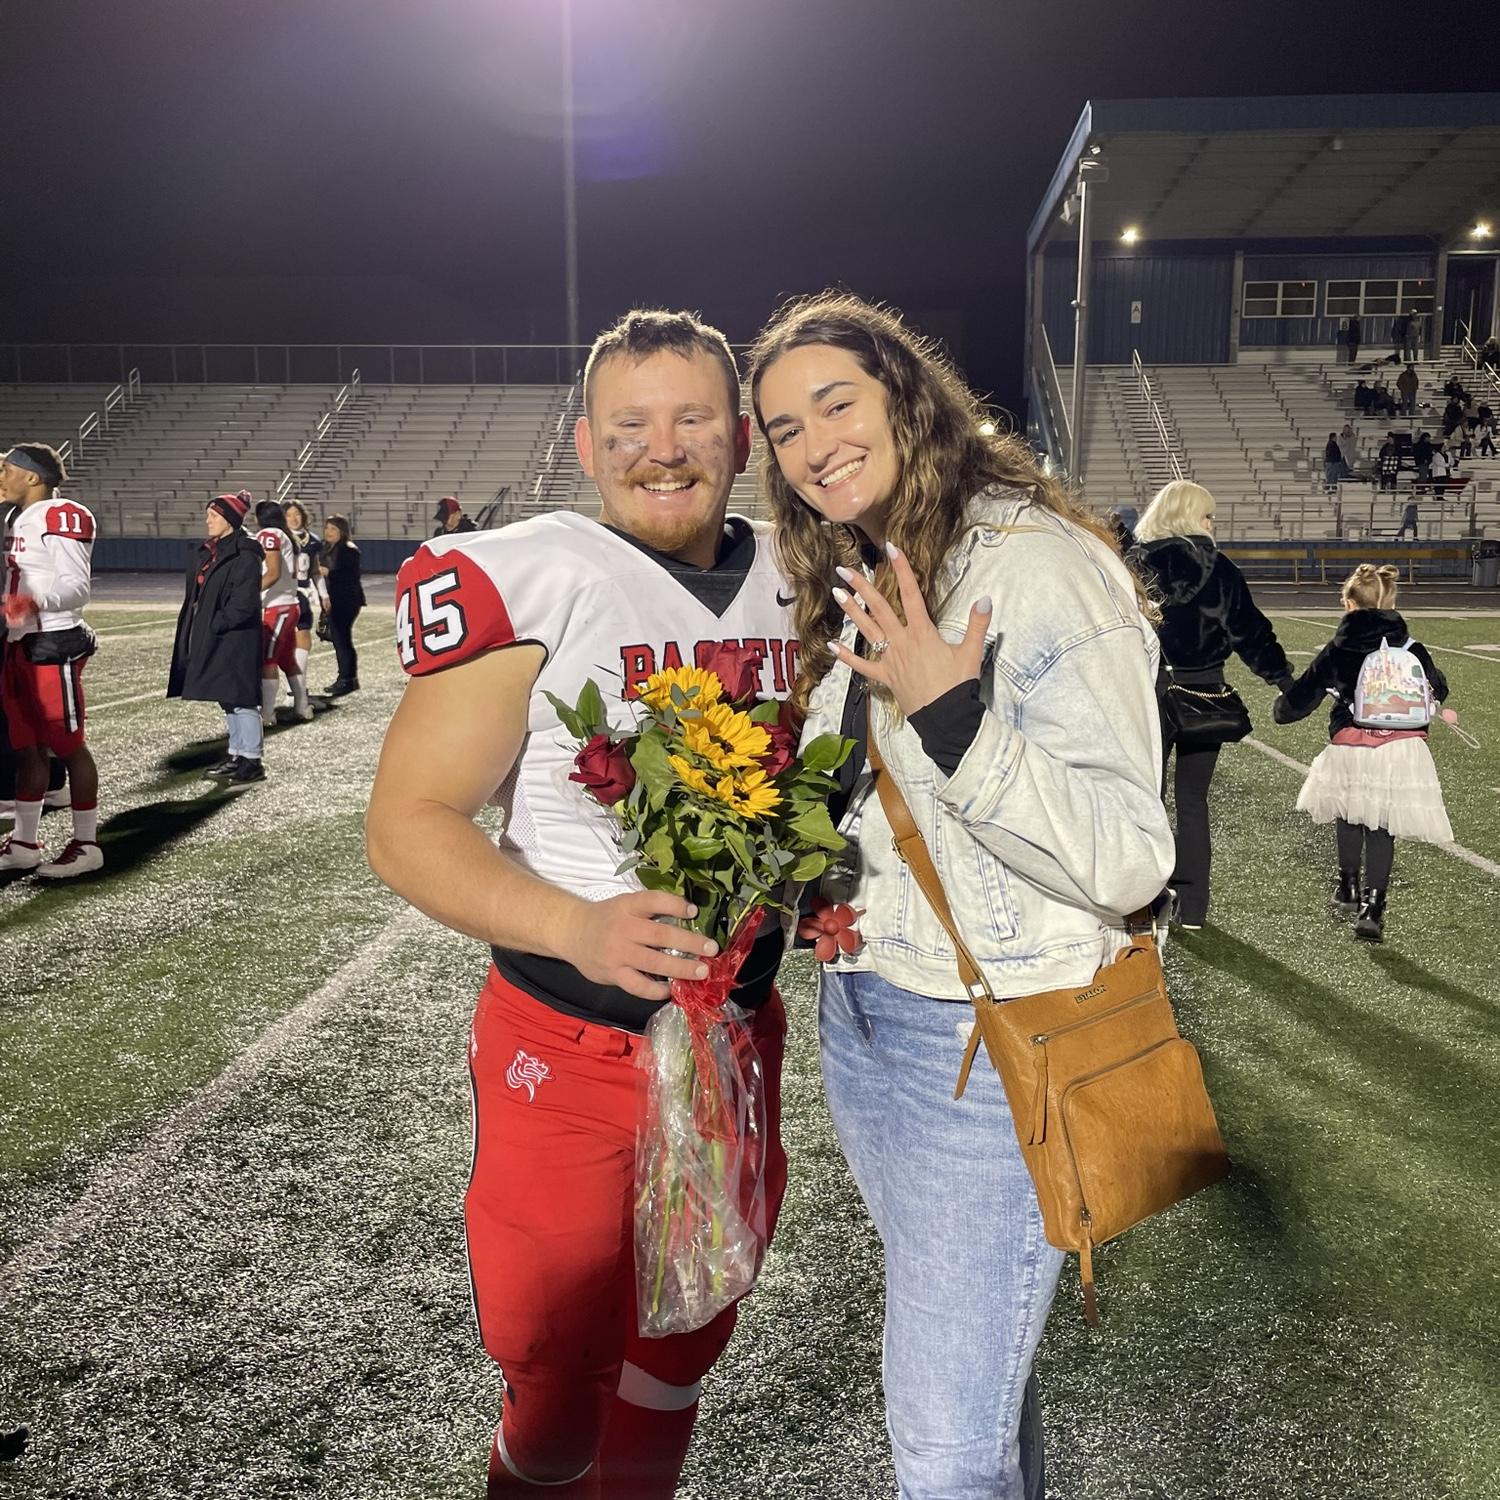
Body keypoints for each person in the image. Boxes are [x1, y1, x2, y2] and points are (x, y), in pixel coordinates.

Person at [367, 309, 797, 1500]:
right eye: (631, 425)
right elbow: (405, 823)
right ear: (586, 443)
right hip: (567, 1046)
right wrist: (575, 925)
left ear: (742, 438)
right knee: (554, 1382)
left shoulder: (807, 576)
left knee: (683, 1345)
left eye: (693, 419)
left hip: (734, 1038)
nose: (663, 448)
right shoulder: (537, 575)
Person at [750, 291, 1173, 1500]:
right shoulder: (868, 558)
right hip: (871, 1016)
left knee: (943, 1448)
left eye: (836, 403)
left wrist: (956, 720)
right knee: (983, 1396)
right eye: (784, 428)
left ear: (905, 397)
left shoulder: (1036, 566)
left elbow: (1132, 857)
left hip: (987, 1045)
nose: (815, 442)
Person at [1129, 480, 1293, 930]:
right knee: (1192, 800)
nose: (1212, 524)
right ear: (1191, 517)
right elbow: (1251, 633)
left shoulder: (1134, 566)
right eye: (1207, 516)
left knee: (1146, 797)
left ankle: (1143, 899)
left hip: (1146, 692)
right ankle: (1194, 905)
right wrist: (1283, 680)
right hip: (1204, 693)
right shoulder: (1221, 570)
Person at [1273, 564, 1452, 942]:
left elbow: (1302, 697)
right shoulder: (1412, 648)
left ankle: (1348, 888)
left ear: (1350, 604)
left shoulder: (1339, 648)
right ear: (1389, 602)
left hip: (1351, 742)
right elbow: (1438, 688)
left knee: (1348, 813)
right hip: (1401, 748)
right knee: (1381, 825)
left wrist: (1282, 710)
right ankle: (1374, 907)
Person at [0, 443, 103, 878]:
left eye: (7, 469)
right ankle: (25, 843)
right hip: (19, 640)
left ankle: (87, 845)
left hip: (53, 640)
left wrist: (33, 601)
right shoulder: (15, 515)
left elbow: (78, 587)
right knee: (28, 746)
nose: (1, 477)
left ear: (32, 476)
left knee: (68, 745)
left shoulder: (62, 514)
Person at [167, 492, 267, 785]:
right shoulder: (214, 550)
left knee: (241, 698)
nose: (207, 520)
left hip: (235, 637)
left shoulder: (245, 554)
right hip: (216, 635)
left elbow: (244, 601)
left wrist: (217, 623)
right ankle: (237, 754)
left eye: (213, 515)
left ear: (229, 519)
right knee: (227, 698)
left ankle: (252, 760)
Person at [252, 498, 312, 727]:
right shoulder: (285, 535)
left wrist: (249, 591)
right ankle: (302, 706)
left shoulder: (270, 534)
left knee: (268, 660)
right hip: (289, 604)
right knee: (287, 660)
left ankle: (268, 714)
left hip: (278, 606)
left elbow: (273, 572)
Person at [283, 500, 327, 695]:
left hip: (301, 594)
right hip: (284, 594)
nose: (293, 518)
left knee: (302, 641)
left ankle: (295, 691)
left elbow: (315, 571)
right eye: (288, 515)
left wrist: (324, 594)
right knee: (285, 644)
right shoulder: (280, 537)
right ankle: (294, 692)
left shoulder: (312, 540)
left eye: (297, 513)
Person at [318, 513, 364, 695]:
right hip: (334, 599)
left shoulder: (348, 549)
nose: (328, 532)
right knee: (340, 639)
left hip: (346, 600)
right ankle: (348, 678)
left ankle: (346, 679)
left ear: (342, 531)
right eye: (327, 528)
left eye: (333, 528)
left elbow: (351, 575)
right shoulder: (327, 548)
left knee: (342, 640)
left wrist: (328, 572)